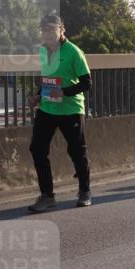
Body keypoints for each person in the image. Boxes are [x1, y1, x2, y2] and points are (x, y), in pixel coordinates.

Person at [27, 14, 92, 212]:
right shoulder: (42, 52)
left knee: (76, 150)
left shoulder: (74, 52)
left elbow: (86, 82)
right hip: (47, 108)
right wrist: (38, 96)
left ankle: (85, 191)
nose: (47, 34)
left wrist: (64, 92)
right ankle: (47, 195)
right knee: (37, 149)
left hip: (71, 109)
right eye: (44, 30)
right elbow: (47, 78)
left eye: (51, 30)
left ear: (61, 29)